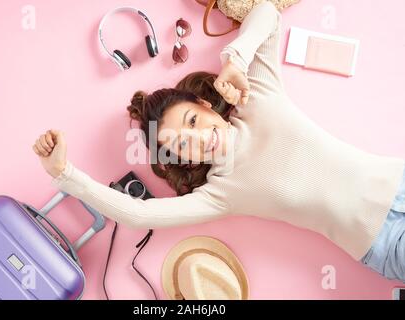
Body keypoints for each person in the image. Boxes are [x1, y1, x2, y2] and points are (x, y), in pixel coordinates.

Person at [32, 1, 405, 282]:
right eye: (181, 145)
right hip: (384, 244)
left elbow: (267, 13)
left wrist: (235, 61)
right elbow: (139, 214)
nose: (196, 140)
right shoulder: (221, 193)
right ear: (183, 159)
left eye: (192, 121)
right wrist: (65, 174)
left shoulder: (257, 99)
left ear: (207, 105)